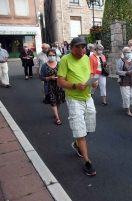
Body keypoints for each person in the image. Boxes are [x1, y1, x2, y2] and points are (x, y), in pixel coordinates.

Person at [57, 37, 98, 176]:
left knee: (89, 127)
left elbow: (90, 73)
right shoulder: (65, 60)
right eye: (78, 48)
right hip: (74, 99)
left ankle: (76, 144)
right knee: (80, 130)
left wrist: (93, 82)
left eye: (83, 48)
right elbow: (60, 82)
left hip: (88, 98)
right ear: (71, 48)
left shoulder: (86, 58)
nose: (81, 51)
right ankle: (87, 163)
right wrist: (75, 85)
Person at [40, 49, 65, 125]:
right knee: (53, 102)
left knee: (59, 101)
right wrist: (50, 78)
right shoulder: (44, 66)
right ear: (47, 56)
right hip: (50, 86)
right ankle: (57, 118)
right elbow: (42, 77)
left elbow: (64, 74)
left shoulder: (59, 64)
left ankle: (55, 112)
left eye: (53, 55)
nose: (52, 57)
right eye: (50, 55)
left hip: (59, 85)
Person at [116, 47, 132, 117]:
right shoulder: (120, 61)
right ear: (123, 53)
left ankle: (127, 104)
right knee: (126, 96)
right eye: (127, 52)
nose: (129, 54)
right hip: (124, 81)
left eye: (129, 52)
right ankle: (127, 110)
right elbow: (117, 71)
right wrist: (126, 72)